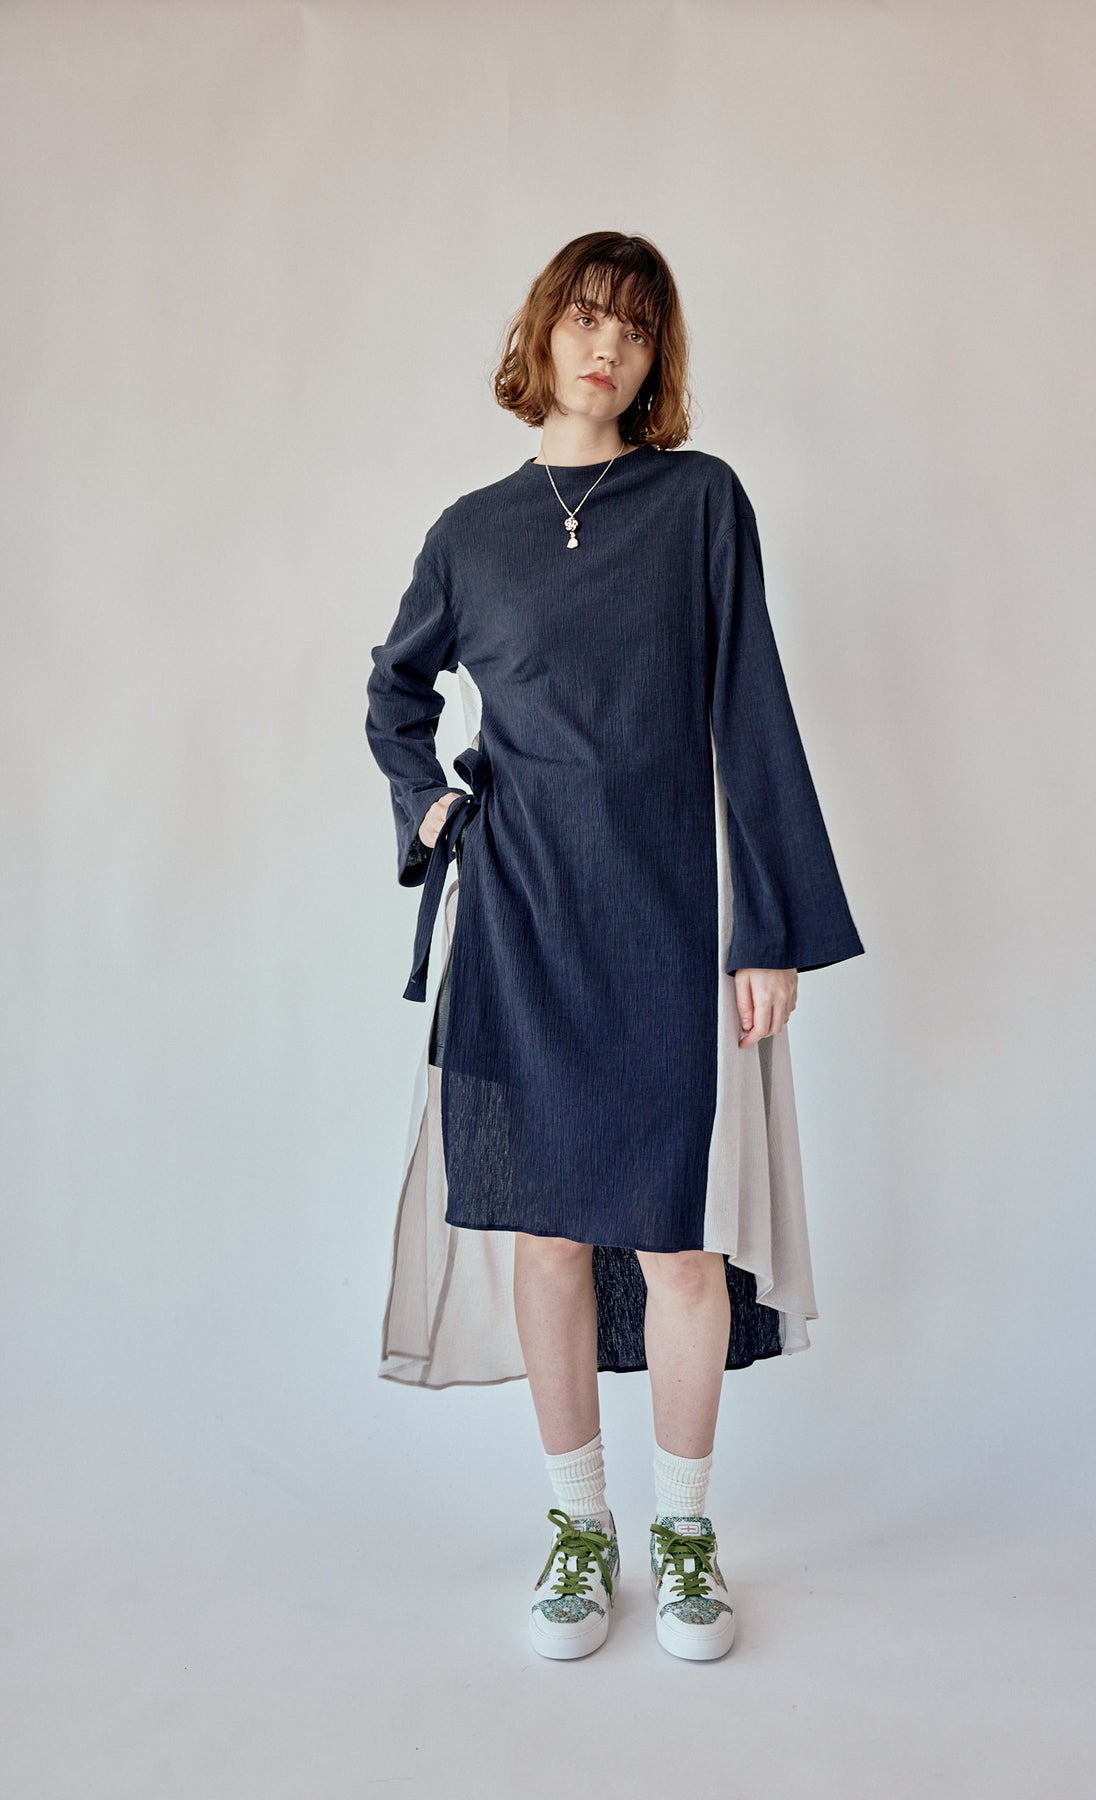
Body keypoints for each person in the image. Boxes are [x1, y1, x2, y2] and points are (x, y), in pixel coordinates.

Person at [364, 231, 865, 1663]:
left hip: (668, 916)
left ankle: (686, 1536)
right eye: (586, 317)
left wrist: (769, 929)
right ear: (543, 332)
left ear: (657, 359)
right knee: (546, 1233)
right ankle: (578, 1528)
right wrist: (430, 803)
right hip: (519, 917)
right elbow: (395, 692)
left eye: (636, 329)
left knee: (680, 1239)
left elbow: (750, 708)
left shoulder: (699, 502)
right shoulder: (470, 532)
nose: (607, 346)